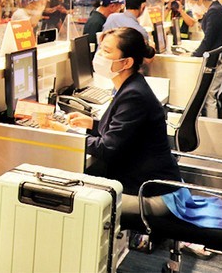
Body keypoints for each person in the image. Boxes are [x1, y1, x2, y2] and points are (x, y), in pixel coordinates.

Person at [68, 27, 181, 228]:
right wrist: (91, 125)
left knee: (70, 198)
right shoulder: (130, 85)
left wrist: (68, 136)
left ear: (127, 62)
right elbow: (121, 131)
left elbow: (107, 148)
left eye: (107, 52)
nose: (99, 56)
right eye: (100, 50)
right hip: (150, 182)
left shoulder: (134, 95)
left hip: (150, 192)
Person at [188, 0, 222, 118]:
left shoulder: (214, 12)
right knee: (211, 95)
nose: (193, 7)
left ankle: (213, 127)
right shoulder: (215, 10)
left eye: (192, 2)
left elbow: (208, 40)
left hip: (219, 61)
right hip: (220, 59)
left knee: (210, 96)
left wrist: (193, 55)